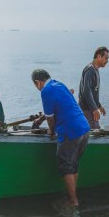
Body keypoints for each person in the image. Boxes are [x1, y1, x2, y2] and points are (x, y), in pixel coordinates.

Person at [32, 69, 90, 206]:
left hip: (70, 131)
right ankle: (73, 196)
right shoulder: (59, 84)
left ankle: (73, 200)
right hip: (84, 128)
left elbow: (50, 118)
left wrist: (51, 132)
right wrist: (41, 119)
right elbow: (62, 103)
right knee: (73, 165)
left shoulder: (45, 91)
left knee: (65, 167)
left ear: (37, 83)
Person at [78, 46, 109, 129]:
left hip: (90, 109)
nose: (107, 61)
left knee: (96, 132)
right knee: (94, 134)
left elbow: (93, 92)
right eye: (106, 58)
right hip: (87, 110)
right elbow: (86, 90)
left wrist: (99, 106)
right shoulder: (90, 70)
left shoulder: (95, 70)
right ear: (99, 56)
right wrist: (94, 109)